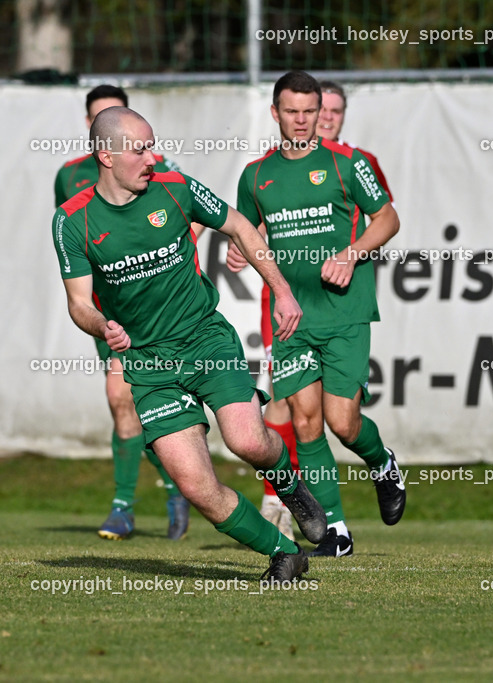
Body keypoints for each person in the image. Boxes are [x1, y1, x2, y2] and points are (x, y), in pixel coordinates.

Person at [52, 106, 327, 583]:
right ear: (106, 155)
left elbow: (240, 226)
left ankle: (290, 484)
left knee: (246, 441)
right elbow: (79, 302)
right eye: (139, 149)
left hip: (204, 338)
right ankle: (285, 553)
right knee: (195, 485)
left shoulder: (175, 189)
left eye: (152, 145)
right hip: (147, 363)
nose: (152, 158)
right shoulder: (71, 221)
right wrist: (102, 325)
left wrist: (282, 292)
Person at [232, 71, 405, 559]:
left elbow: (388, 218)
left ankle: (383, 463)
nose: (304, 120)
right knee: (306, 424)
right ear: (276, 113)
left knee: (342, 422)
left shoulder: (348, 163)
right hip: (292, 316)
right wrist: (241, 250)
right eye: (293, 111)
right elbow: (246, 229)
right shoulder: (256, 174)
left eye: (311, 111)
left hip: (344, 312)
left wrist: (351, 254)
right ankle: (336, 532)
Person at [53, 84, 190, 541]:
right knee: (121, 404)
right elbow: (77, 245)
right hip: (107, 314)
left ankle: (159, 493)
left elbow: (190, 221)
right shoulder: (68, 177)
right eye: (100, 116)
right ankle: (147, 498)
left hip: (155, 314)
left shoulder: (158, 171)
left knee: (133, 400)